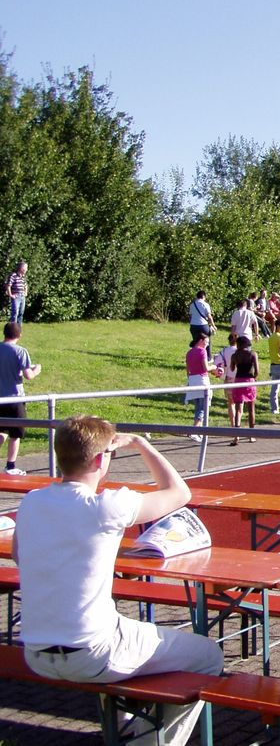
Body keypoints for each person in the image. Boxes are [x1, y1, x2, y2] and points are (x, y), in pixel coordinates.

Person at [12, 415, 224, 746]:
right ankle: (149, 743)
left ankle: (126, 726)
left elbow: (19, 555)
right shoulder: (107, 506)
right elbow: (179, 493)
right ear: (100, 460)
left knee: (127, 633)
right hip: (93, 653)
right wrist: (142, 444)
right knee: (208, 655)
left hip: (36, 653)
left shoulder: (32, 502)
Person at [0, 322, 42, 475]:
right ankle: (10, 466)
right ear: (19, 335)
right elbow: (28, 375)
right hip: (14, 398)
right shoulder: (20, 351)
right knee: (15, 434)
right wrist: (36, 370)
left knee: (2, 430)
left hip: (0, 398)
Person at [184, 332, 216, 441]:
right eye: (206, 342)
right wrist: (214, 367)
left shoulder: (189, 352)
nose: (207, 344)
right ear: (201, 341)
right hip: (202, 380)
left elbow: (188, 370)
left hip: (192, 380)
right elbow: (206, 368)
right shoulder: (202, 351)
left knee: (198, 407)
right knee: (203, 407)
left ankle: (199, 431)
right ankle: (194, 430)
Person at [229, 336, 259, 446]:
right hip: (249, 381)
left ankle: (236, 435)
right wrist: (254, 378)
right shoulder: (252, 354)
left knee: (238, 409)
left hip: (238, 381)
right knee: (251, 409)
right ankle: (251, 435)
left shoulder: (234, 355)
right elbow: (257, 371)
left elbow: (232, 368)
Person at [6, 261, 28, 325]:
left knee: (21, 313)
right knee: (15, 313)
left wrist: (25, 292)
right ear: (22, 268)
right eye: (26, 268)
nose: (26, 270)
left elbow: (26, 285)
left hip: (22, 296)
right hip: (16, 296)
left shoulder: (23, 276)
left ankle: (19, 328)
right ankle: (13, 328)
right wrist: (10, 294)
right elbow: (8, 285)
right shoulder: (13, 275)